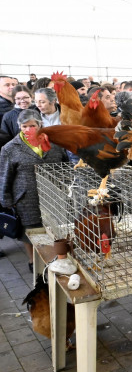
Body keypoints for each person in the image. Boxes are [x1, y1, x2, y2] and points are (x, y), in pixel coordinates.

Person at [0, 110, 68, 270]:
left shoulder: (55, 144)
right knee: (30, 230)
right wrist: (6, 200)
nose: (28, 129)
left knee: (53, 228)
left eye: (32, 125)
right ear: (19, 127)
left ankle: (54, 258)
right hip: (26, 196)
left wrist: (65, 186)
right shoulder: (10, 148)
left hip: (53, 194)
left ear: (40, 125)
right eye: (24, 126)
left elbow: (65, 166)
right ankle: (33, 261)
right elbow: (4, 176)